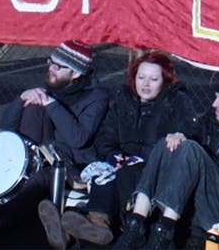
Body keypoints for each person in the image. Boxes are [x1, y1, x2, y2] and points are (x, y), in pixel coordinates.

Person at [0, 40, 109, 247]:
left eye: (58, 67)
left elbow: (78, 139)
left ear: (76, 74)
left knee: (43, 177)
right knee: (33, 107)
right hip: (45, 154)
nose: (51, 69)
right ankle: (8, 186)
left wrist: (51, 104)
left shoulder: (97, 98)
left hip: (74, 164)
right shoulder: (55, 87)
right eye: (51, 62)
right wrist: (21, 99)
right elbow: (6, 128)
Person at [60, 50, 198, 246]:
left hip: (153, 170)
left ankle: (79, 228)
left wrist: (180, 136)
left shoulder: (175, 101)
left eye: (153, 79)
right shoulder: (123, 100)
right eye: (141, 77)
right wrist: (112, 154)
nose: (146, 84)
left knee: (122, 176)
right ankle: (92, 226)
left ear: (164, 81)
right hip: (122, 163)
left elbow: (188, 131)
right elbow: (105, 137)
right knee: (104, 174)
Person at [114, 70, 219, 249]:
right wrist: (179, 136)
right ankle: (136, 223)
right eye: (215, 97)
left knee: (189, 147)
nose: (213, 104)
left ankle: (164, 230)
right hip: (200, 198)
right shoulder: (209, 122)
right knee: (167, 142)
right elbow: (186, 152)